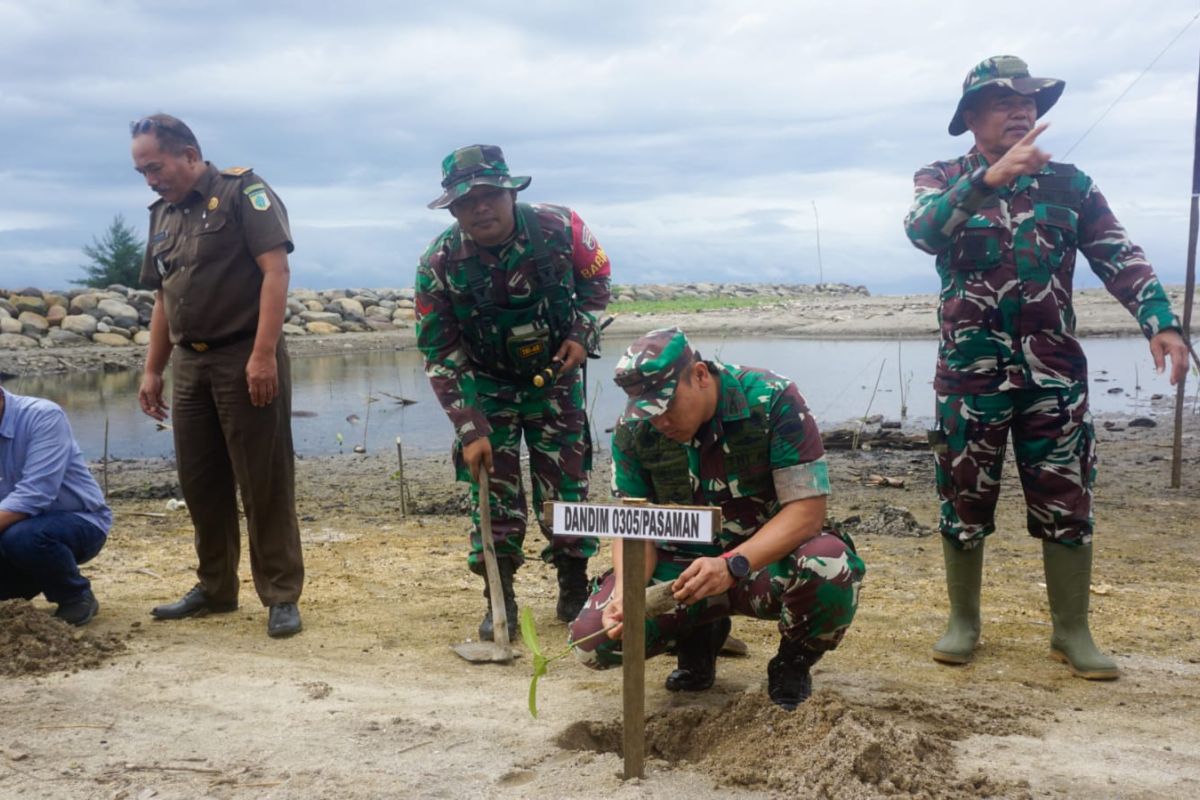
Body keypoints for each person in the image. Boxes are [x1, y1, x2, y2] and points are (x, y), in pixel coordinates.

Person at [904, 56, 1189, 679]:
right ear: (972, 116)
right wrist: (988, 179)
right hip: (969, 378)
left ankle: (1072, 632)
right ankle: (963, 624)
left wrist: (1160, 320)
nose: (1022, 109)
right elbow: (923, 231)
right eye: (1004, 100)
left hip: (1053, 378)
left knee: (1067, 500)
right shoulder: (942, 176)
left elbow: (1119, 253)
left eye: (1030, 101)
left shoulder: (1070, 185)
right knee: (963, 499)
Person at [569, 328, 865, 709]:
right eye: (648, 412)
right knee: (594, 641)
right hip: (680, 575)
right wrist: (628, 594)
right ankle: (699, 639)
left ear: (700, 375)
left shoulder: (773, 398)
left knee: (830, 565)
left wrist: (732, 565)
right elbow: (633, 527)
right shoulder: (633, 430)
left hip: (761, 565)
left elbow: (807, 512)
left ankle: (792, 663)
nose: (659, 422)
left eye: (666, 406)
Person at [415, 144, 611, 640]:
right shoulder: (438, 263)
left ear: (510, 192)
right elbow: (440, 351)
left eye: (489, 195)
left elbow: (597, 282)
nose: (480, 208)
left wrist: (581, 335)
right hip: (486, 388)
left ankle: (573, 588)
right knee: (493, 497)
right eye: (467, 201)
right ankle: (498, 598)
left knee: (568, 489)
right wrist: (469, 426)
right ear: (454, 209)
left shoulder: (561, 228)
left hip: (556, 379)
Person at [132, 113, 304, 638]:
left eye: (155, 166)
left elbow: (275, 270)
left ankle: (279, 594)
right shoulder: (161, 215)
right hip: (190, 363)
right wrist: (152, 369)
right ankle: (215, 588)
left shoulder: (241, 192)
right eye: (141, 171)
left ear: (188, 154)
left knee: (263, 479)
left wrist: (262, 355)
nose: (150, 179)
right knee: (200, 481)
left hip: (243, 355)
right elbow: (163, 296)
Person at [0, 386, 111, 626]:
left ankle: (74, 596)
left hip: (76, 522)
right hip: (8, 531)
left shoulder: (43, 415)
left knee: (23, 537)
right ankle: (31, 579)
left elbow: (35, 494)